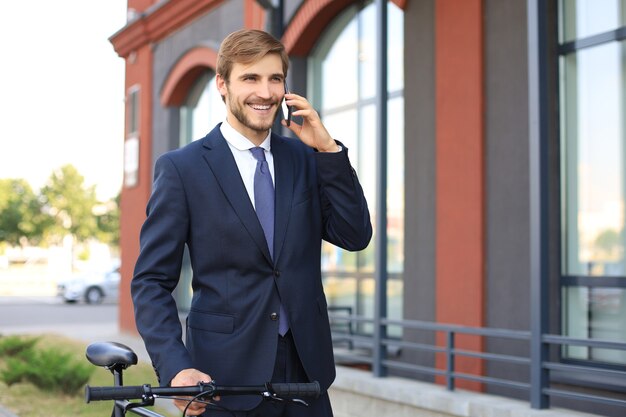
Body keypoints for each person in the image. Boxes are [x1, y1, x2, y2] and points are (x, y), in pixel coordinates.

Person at [131, 28, 372, 417]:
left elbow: (355, 234)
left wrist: (328, 149)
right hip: (223, 379)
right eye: (250, 78)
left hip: (306, 374)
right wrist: (176, 367)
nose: (265, 92)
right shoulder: (182, 169)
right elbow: (151, 282)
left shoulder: (306, 158)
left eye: (274, 78)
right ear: (222, 85)